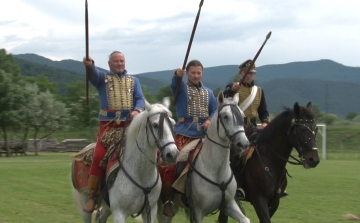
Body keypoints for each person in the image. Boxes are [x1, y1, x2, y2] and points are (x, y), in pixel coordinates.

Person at [82, 51, 145, 213]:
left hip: (129, 128)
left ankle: (153, 192)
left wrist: (137, 110)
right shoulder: (102, 78)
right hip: (108, 127)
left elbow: (140, 99)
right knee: (98, 156)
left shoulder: (134, 81)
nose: (119, 63)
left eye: (122, 61)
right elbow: (92, 75)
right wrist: (90, 65)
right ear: (110, 63)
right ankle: (92, 196)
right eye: (116, 61)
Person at [159, 60, 218, 217]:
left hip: (204, 137)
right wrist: (176, 76)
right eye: (193, 72)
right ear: (187, 73)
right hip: (184, 135)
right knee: (170, 166)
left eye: (199, 73)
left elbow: (214, 109)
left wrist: (210, 119)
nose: (196, 75)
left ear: (202, 73)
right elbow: (174, 84)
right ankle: (168, 200)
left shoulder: (209, 92)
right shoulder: (181, 89)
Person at [224, 59, 288, 200]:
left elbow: (263, 111)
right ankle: (238, 186)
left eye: (251, 73)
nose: (249, 75)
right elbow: (226, 99)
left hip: (253, 128)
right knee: (236, 156)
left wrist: (265, 122)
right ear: (240, 73)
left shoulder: (258, 91)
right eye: (246, 72)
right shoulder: (233, 88)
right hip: (237, 129)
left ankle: (278, 185)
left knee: (272, 151)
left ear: (255, 74)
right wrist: (231, 90)